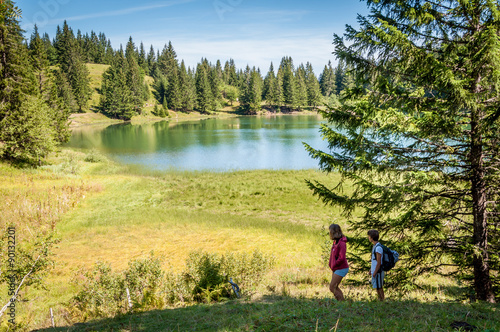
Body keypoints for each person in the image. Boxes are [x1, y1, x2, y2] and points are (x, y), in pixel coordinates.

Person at [328, 224, 349, 301]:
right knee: (335, 287)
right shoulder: (335, 242)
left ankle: (342, 302)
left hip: (341, 267)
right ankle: (341, 302)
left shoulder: (342, 243)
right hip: (336, 267)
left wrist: (335, 264)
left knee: (332, 287)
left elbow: (342, 257)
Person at [368, 229, 385, 301]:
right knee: (377, 287)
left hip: (378, 271)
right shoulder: (375, 246)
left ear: (372, 237)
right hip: (375, 271)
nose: (368, 238)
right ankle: (380, 300)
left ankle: (382, 300)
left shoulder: (378, 248)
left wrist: (375, 272)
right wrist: (371, 270)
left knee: (379, 287)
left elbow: (379, 262)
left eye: (369, 236)